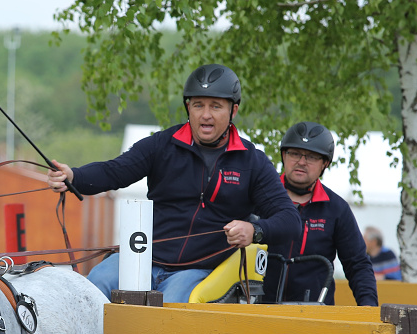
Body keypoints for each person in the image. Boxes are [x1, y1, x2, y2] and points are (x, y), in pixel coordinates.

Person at [47, 63, 301, 302]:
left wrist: (254, 230)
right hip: (141, 258)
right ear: (187, 107)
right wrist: (73, 177)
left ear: (233, 110)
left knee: (169, 314)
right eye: (198, 105)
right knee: (93, 286)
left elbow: (290, 220)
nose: (205, 115)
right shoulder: (161, 145)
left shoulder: (252, 162)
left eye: (216, 106)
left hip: (198, 271)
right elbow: (115, 171)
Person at [262, 122, 377, 306]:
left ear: (325, 163)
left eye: (311, 157)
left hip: (314, 317)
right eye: (295, 153)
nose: (301, 161)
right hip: (256, 311)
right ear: (283, 155)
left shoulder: (337, 209)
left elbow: (358, 265)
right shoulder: (259, 198)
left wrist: (369, 308)